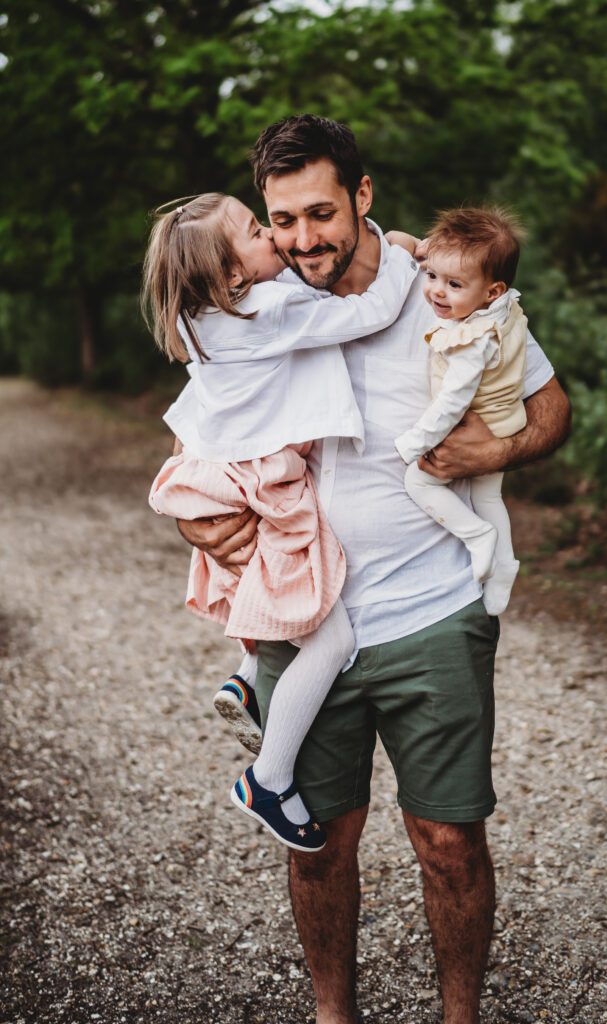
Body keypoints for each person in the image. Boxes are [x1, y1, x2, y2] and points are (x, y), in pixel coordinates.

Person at [175, 116, 571, 1024]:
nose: (303, 237)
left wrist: (490, 448)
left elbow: (551, 409)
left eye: (321, 211)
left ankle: (458, 1016)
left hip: (433, 610)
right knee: (318, 847)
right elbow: (204, 444)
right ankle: (331, 1016)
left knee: (447, 838)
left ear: (362, 196)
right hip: (304, 615)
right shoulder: (251, 311)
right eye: (282, 220)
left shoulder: (445, 294)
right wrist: (203, 525)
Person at [142, 191, 419, 853]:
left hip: (225, 476)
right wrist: (403, 255)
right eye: (253, 228)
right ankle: (267, 778)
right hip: (272, 485)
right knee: (328, 639)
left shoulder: (201, 319)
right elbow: (372, 310)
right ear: (234, 275)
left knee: (270, 579)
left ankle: (246, 673)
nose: (270, 233)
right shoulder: (269, 308)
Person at [395, 206, 530, 616]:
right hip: (505, 419)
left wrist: (415, 441)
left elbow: (453, 401)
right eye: (431, 275)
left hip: (482, 427)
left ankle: (475, 536)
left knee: (418, 482)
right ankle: (504, 565)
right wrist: (420, 248)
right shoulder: (500, 309)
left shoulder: (472, 340)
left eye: (454, 284)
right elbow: (428, 252)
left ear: (491, 291)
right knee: (489, 497)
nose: (436, 291)